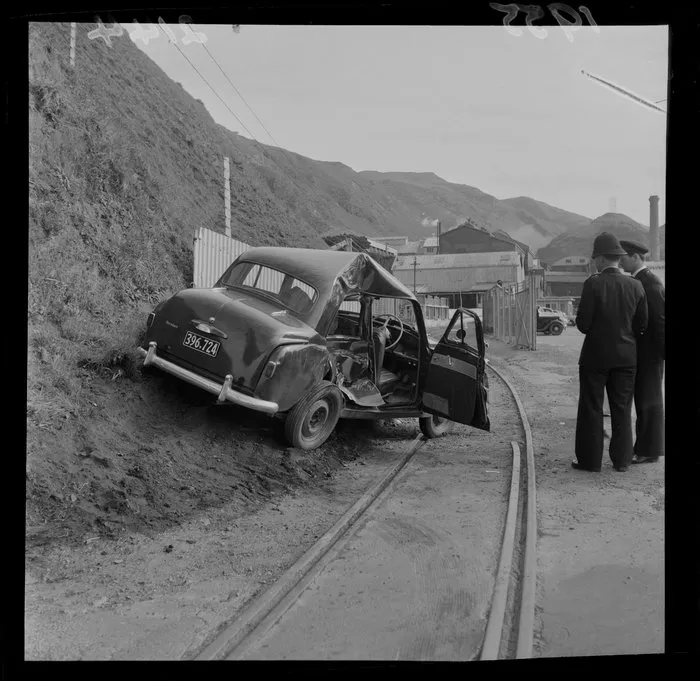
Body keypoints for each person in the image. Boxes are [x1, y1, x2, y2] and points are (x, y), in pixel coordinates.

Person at [573, 233, 648, 473]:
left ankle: (590, 461)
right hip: (626, 359)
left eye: (596, 258)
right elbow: (642, 325)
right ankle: (622, 461)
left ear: (603, 259)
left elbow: (583, 324)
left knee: (591, 408)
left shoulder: (593, 284)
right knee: (622, 409)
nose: (595, 262)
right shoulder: (636, 285)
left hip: (595, 358)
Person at [619, 240, 665, 464]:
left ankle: (649, 450)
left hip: (649, 355)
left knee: (649, 402)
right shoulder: (641, 281)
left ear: (636, 257)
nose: (620, 261)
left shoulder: (649, 283)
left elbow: (658, 321)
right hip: (645, 353)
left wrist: (658, 355)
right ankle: (648, 448)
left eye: (624, 257)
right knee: (645, 401)